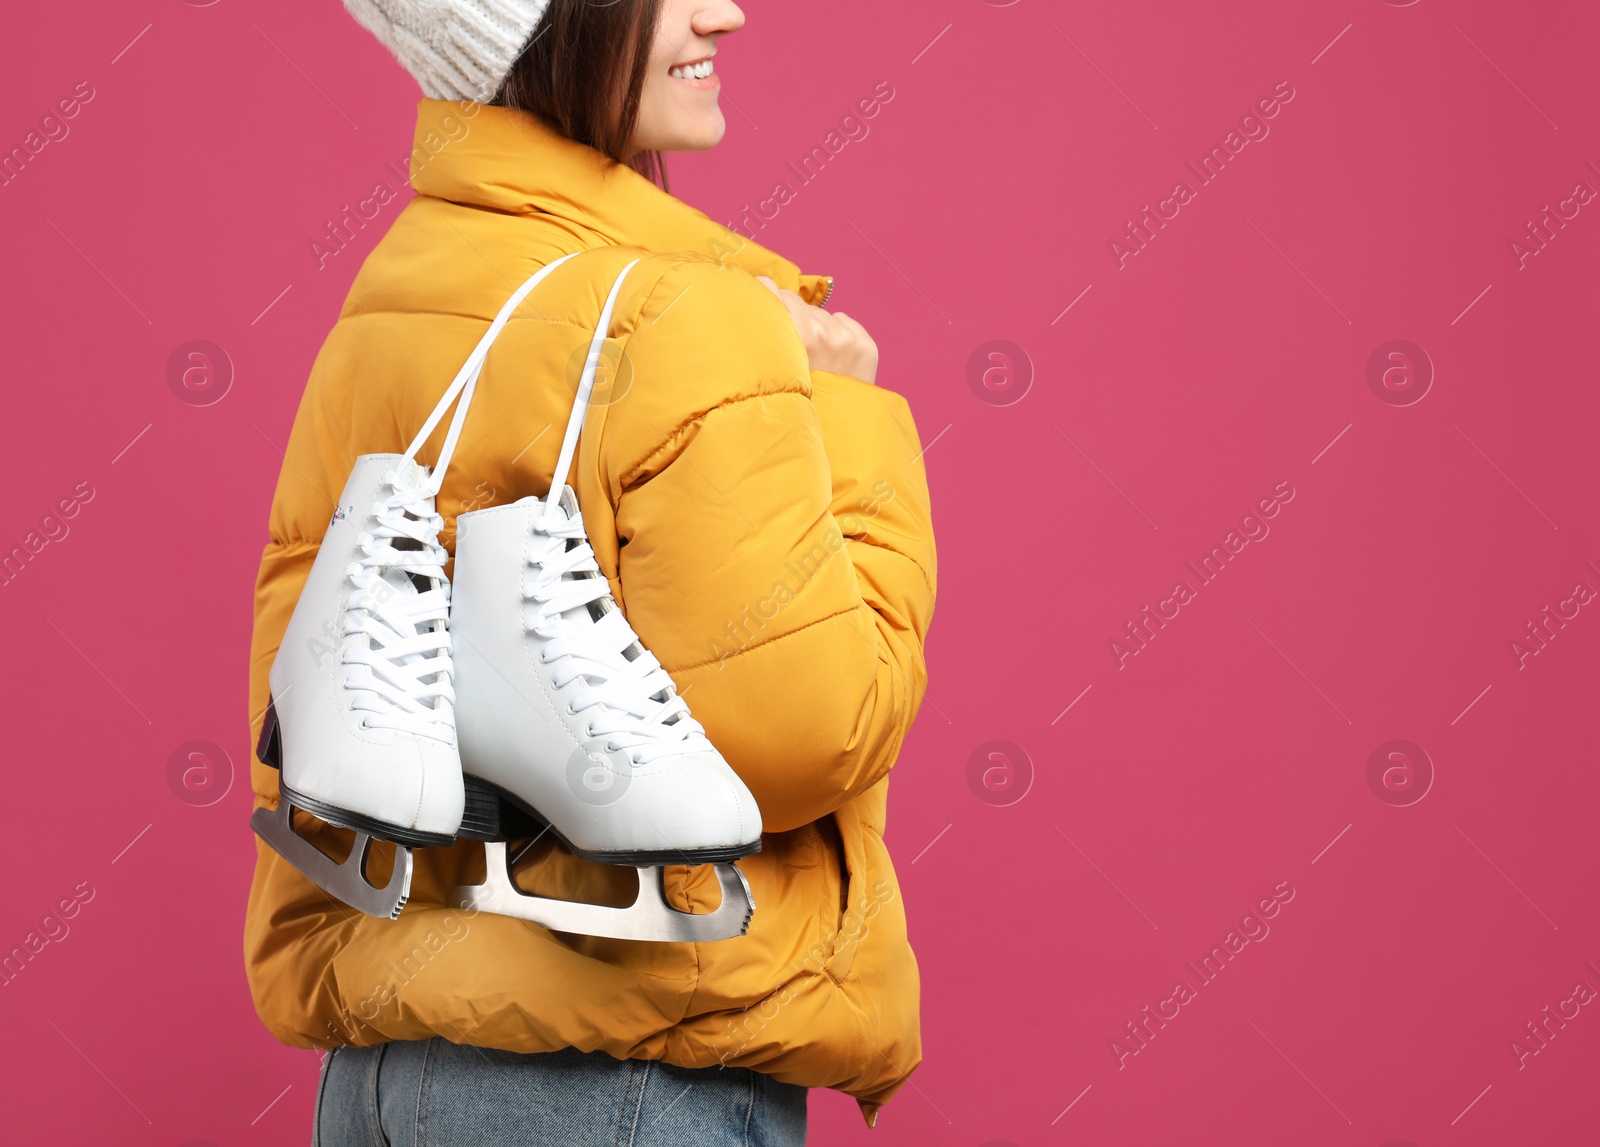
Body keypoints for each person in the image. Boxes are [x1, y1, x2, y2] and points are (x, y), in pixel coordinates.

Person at [244, 1, 938, 1142]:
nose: (728, 11)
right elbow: (814, 733)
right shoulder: (690, 317)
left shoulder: (392, 302)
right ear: (554, 24)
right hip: (618, 1070)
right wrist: (853, 412)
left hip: (373, 1068)